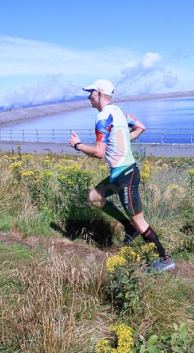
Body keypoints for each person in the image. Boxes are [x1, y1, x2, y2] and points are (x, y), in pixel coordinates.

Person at [68, 79, 175, 272]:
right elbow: (140, 127)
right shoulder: (119, 112)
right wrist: (122, 140)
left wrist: (78, 145)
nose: (88, 96)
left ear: (100, 93)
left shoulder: (102, 117)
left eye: (91, 92)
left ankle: (165, 258)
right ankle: (129, 227)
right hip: (119, 174)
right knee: (94, 197)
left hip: (126, 175)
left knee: (139, 220)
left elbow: (99, 153)